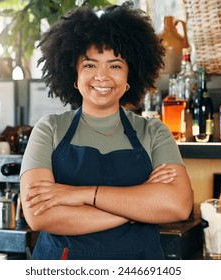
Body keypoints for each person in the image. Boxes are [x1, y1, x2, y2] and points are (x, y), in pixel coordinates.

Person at [19, 1, 194, 260]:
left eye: (115, 65)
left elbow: (178, 206)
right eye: (90, 65)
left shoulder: (153, 131)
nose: (102, 76)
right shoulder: (50, 128)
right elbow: (40, 215)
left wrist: (78, 194)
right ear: (74, 76)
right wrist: (138, 208)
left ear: (129, 79)